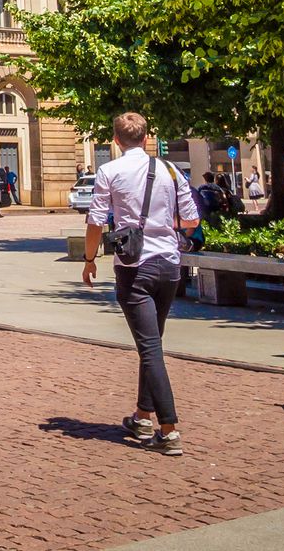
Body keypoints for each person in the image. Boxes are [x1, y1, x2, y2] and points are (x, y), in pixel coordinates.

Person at [82, 113, 199, 456]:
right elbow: (191, 219)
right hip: (169, 267)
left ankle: (170, 429)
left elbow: (95, 221)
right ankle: (142, 416)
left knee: (150, 349)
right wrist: (162, 225)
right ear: (147, 138)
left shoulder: (110, 171)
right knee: (152, 344)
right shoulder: (170, 170)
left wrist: (90, 260)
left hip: (135, 268)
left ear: (116, 141)